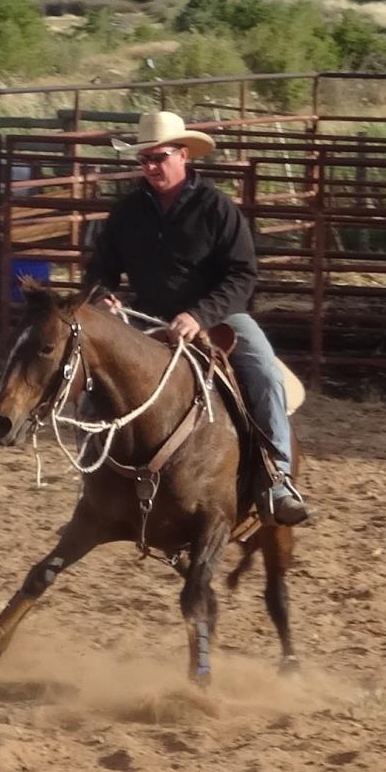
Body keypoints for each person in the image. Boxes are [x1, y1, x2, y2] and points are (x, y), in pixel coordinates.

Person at [82, 111, 310, 526]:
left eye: (159, 157)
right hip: (147, 319)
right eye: (144, 159)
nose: (151, 167)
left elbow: (242, 275)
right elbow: (100, 270)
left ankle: (278, 480)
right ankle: (96, 480)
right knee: (91, 379)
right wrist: (103, 298)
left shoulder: (217, 208)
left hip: (220, 318)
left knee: (263, 372)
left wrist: (198, 314)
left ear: (183, 155)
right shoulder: (127, 212)